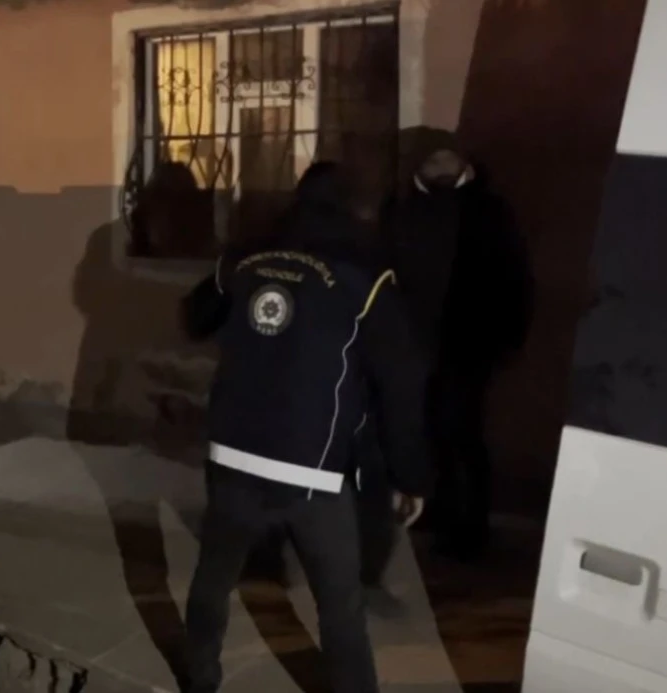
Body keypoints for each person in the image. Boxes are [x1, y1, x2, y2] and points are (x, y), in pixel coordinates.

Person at [179, 162, 433, 693]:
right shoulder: (367, 276)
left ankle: (198, 678)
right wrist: (409, 476)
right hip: (312, 467)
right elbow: (401, 384)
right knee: (339, 603)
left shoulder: (246, 259)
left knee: (214, 574)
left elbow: (195, 319)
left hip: (233, 453)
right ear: (354, 206)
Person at [383, 141, 532, 560]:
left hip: (469, 345)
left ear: (465, 161)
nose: (442, 165)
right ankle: (436, 511)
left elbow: (515, 279)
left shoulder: (490, 211)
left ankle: (470, 524)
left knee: (463, 433)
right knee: (425, 430)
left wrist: (506, 339)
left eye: (449, 156)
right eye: (433, 158)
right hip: (414, 344)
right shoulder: (402, 212)